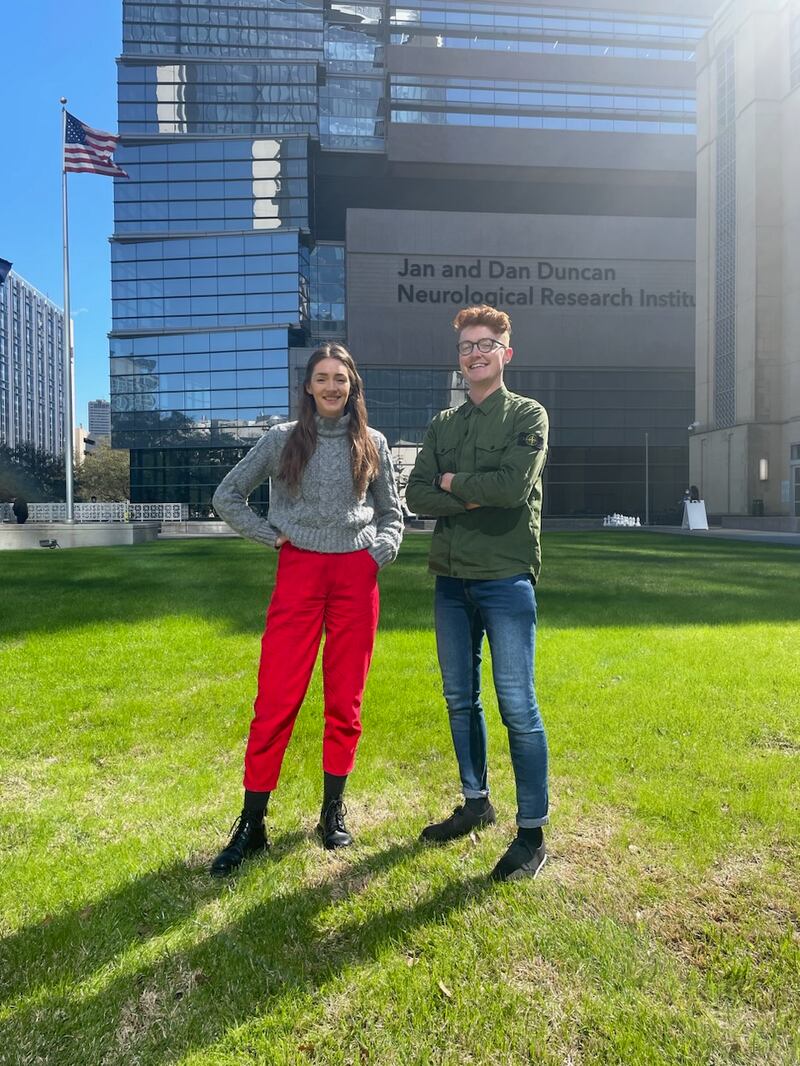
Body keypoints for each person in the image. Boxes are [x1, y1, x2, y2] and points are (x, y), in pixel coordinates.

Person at [210, 343, 403, 876]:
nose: (332, 387)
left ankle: (332, 811)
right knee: (276, 699)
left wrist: (381, 550)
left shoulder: (373, 442)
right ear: (308, 387)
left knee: (346, 699)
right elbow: (227, 495)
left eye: (340, 378)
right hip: (299, 573)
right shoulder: (281, 440)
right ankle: (253, 824)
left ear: (353, 385)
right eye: (322, 378)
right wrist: (270, 537)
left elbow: (392, 512)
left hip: (355, 577)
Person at [406, 305, 550, 883]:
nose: (475, 353)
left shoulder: (528, 415)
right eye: (467, 346)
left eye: (486, 344)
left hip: (505, 578)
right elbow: (417, 496)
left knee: (518, 705)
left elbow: (513, 488)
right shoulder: (444, 424)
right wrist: (468, 492)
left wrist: (452, 484)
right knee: (459, 698)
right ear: (459, 358)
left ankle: (532, 833)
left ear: (506, 353)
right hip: (450, 579)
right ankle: (475, 801)